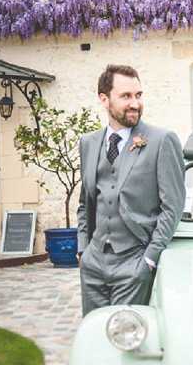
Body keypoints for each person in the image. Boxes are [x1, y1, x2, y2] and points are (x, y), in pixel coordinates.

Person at [77, 64, 185, 317]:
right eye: (126, 96)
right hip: (93, 264)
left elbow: (173, 206)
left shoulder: (162, 140)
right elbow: (85, 202)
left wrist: (149, 259)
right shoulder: (89, 143)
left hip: (134, 262)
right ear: (104, 99)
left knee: (127, 340)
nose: (135, 103)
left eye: (138, 95)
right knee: (95, 338)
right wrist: (83, 250)